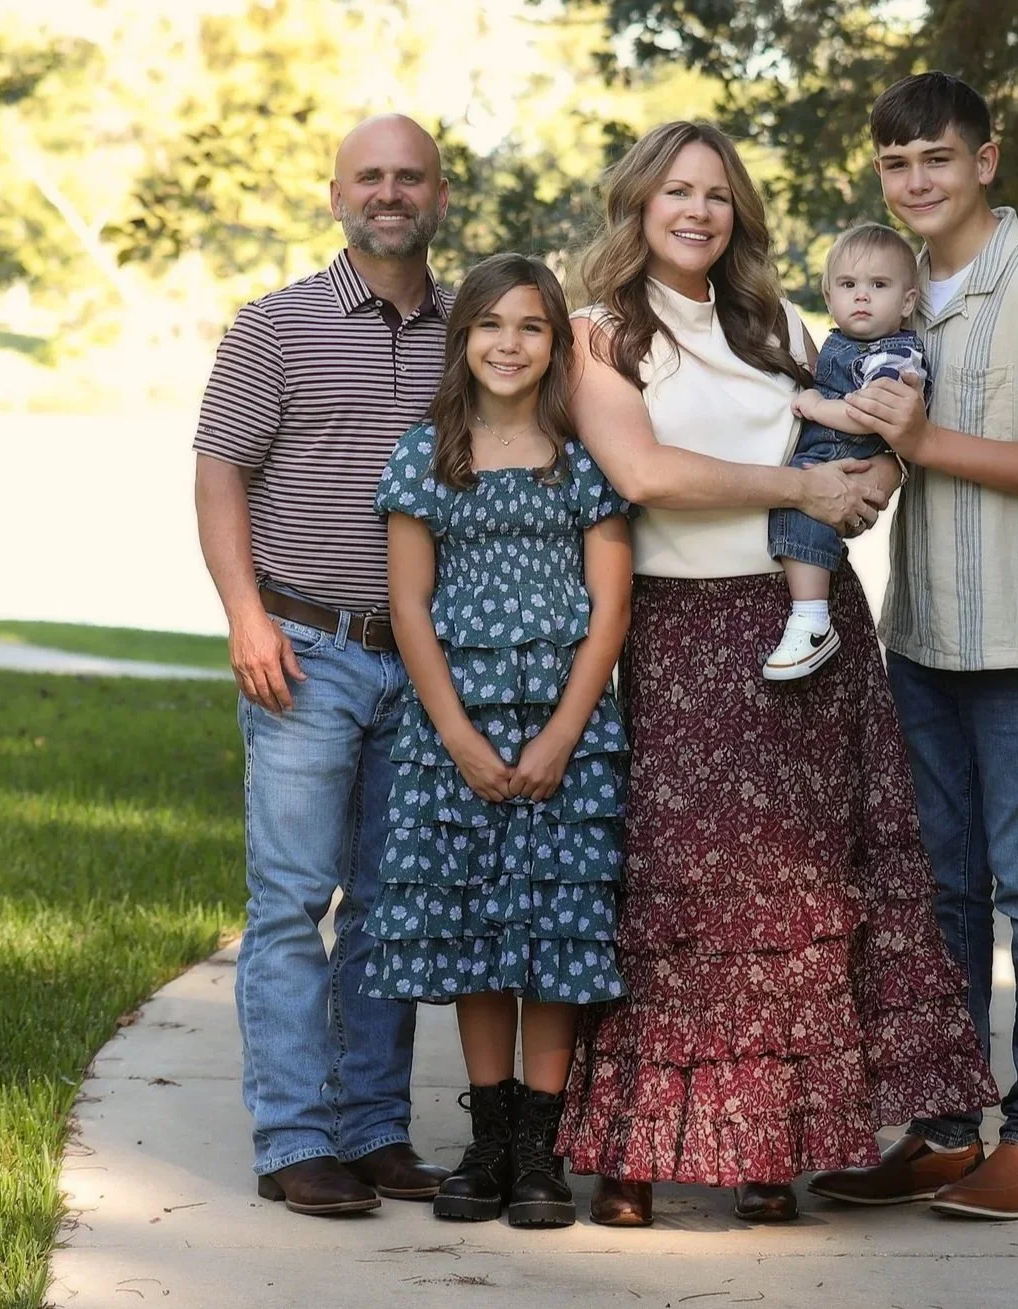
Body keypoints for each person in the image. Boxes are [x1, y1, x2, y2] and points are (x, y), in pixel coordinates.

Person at [554, 120, 999, 1227]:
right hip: (680, 632)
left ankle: (770, 1151)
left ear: (736, 211)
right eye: (675, 193)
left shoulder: (778, 324)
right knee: (677, 884)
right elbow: (643, 472)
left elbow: (859, 432)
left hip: (802, 627)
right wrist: (799, 491)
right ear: (638, 206)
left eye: (715, 194)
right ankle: (634, 1154)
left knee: (798, 893)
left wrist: (866, 480)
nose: (696, 211)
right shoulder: (599, 333)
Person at [807, 73, 1018, 1221]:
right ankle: (945, 1126)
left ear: (985, 160)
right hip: (926, 633)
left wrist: (927, 440)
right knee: (939, 886)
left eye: (935, 157)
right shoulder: (902, 294)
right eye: (894, 165)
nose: (916, 181)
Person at [192, 114, 454, 1216]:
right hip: (302, 650)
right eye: (369, 177)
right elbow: (218, 476)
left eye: (409, 177)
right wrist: (245, 615)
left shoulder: (473, 331)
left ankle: (373, 1128)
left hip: (424, 661)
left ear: (439, 195)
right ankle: (296, 1140)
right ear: (333, 192)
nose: (388, 193)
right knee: (296, 899)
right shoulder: (275, 328)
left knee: (392, 905)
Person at [363, 253, 633, 1230]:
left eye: (528, 326)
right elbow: (407, 604)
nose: (507, 344)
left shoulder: (584, 462)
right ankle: (485, 1143)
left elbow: (610, 608)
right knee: (481, 936)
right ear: (461, 339)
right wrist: (454, 735)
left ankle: (542, 1149)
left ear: (556, 344)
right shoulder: (426, 455)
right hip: (459, 730)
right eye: (488, 325)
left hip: (569, 729)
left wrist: (564, 730)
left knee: (554, 932)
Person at [763, 222, 929, 681]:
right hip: (824, 454)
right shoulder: (836, 342)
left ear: (907, 302)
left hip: (844, 454)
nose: (861, 296)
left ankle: (812, 620)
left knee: (803, 520)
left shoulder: (895, 355)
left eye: (879, 286)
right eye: (848, 285)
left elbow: (870, 416)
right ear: (829, 296)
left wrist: (817, 405)